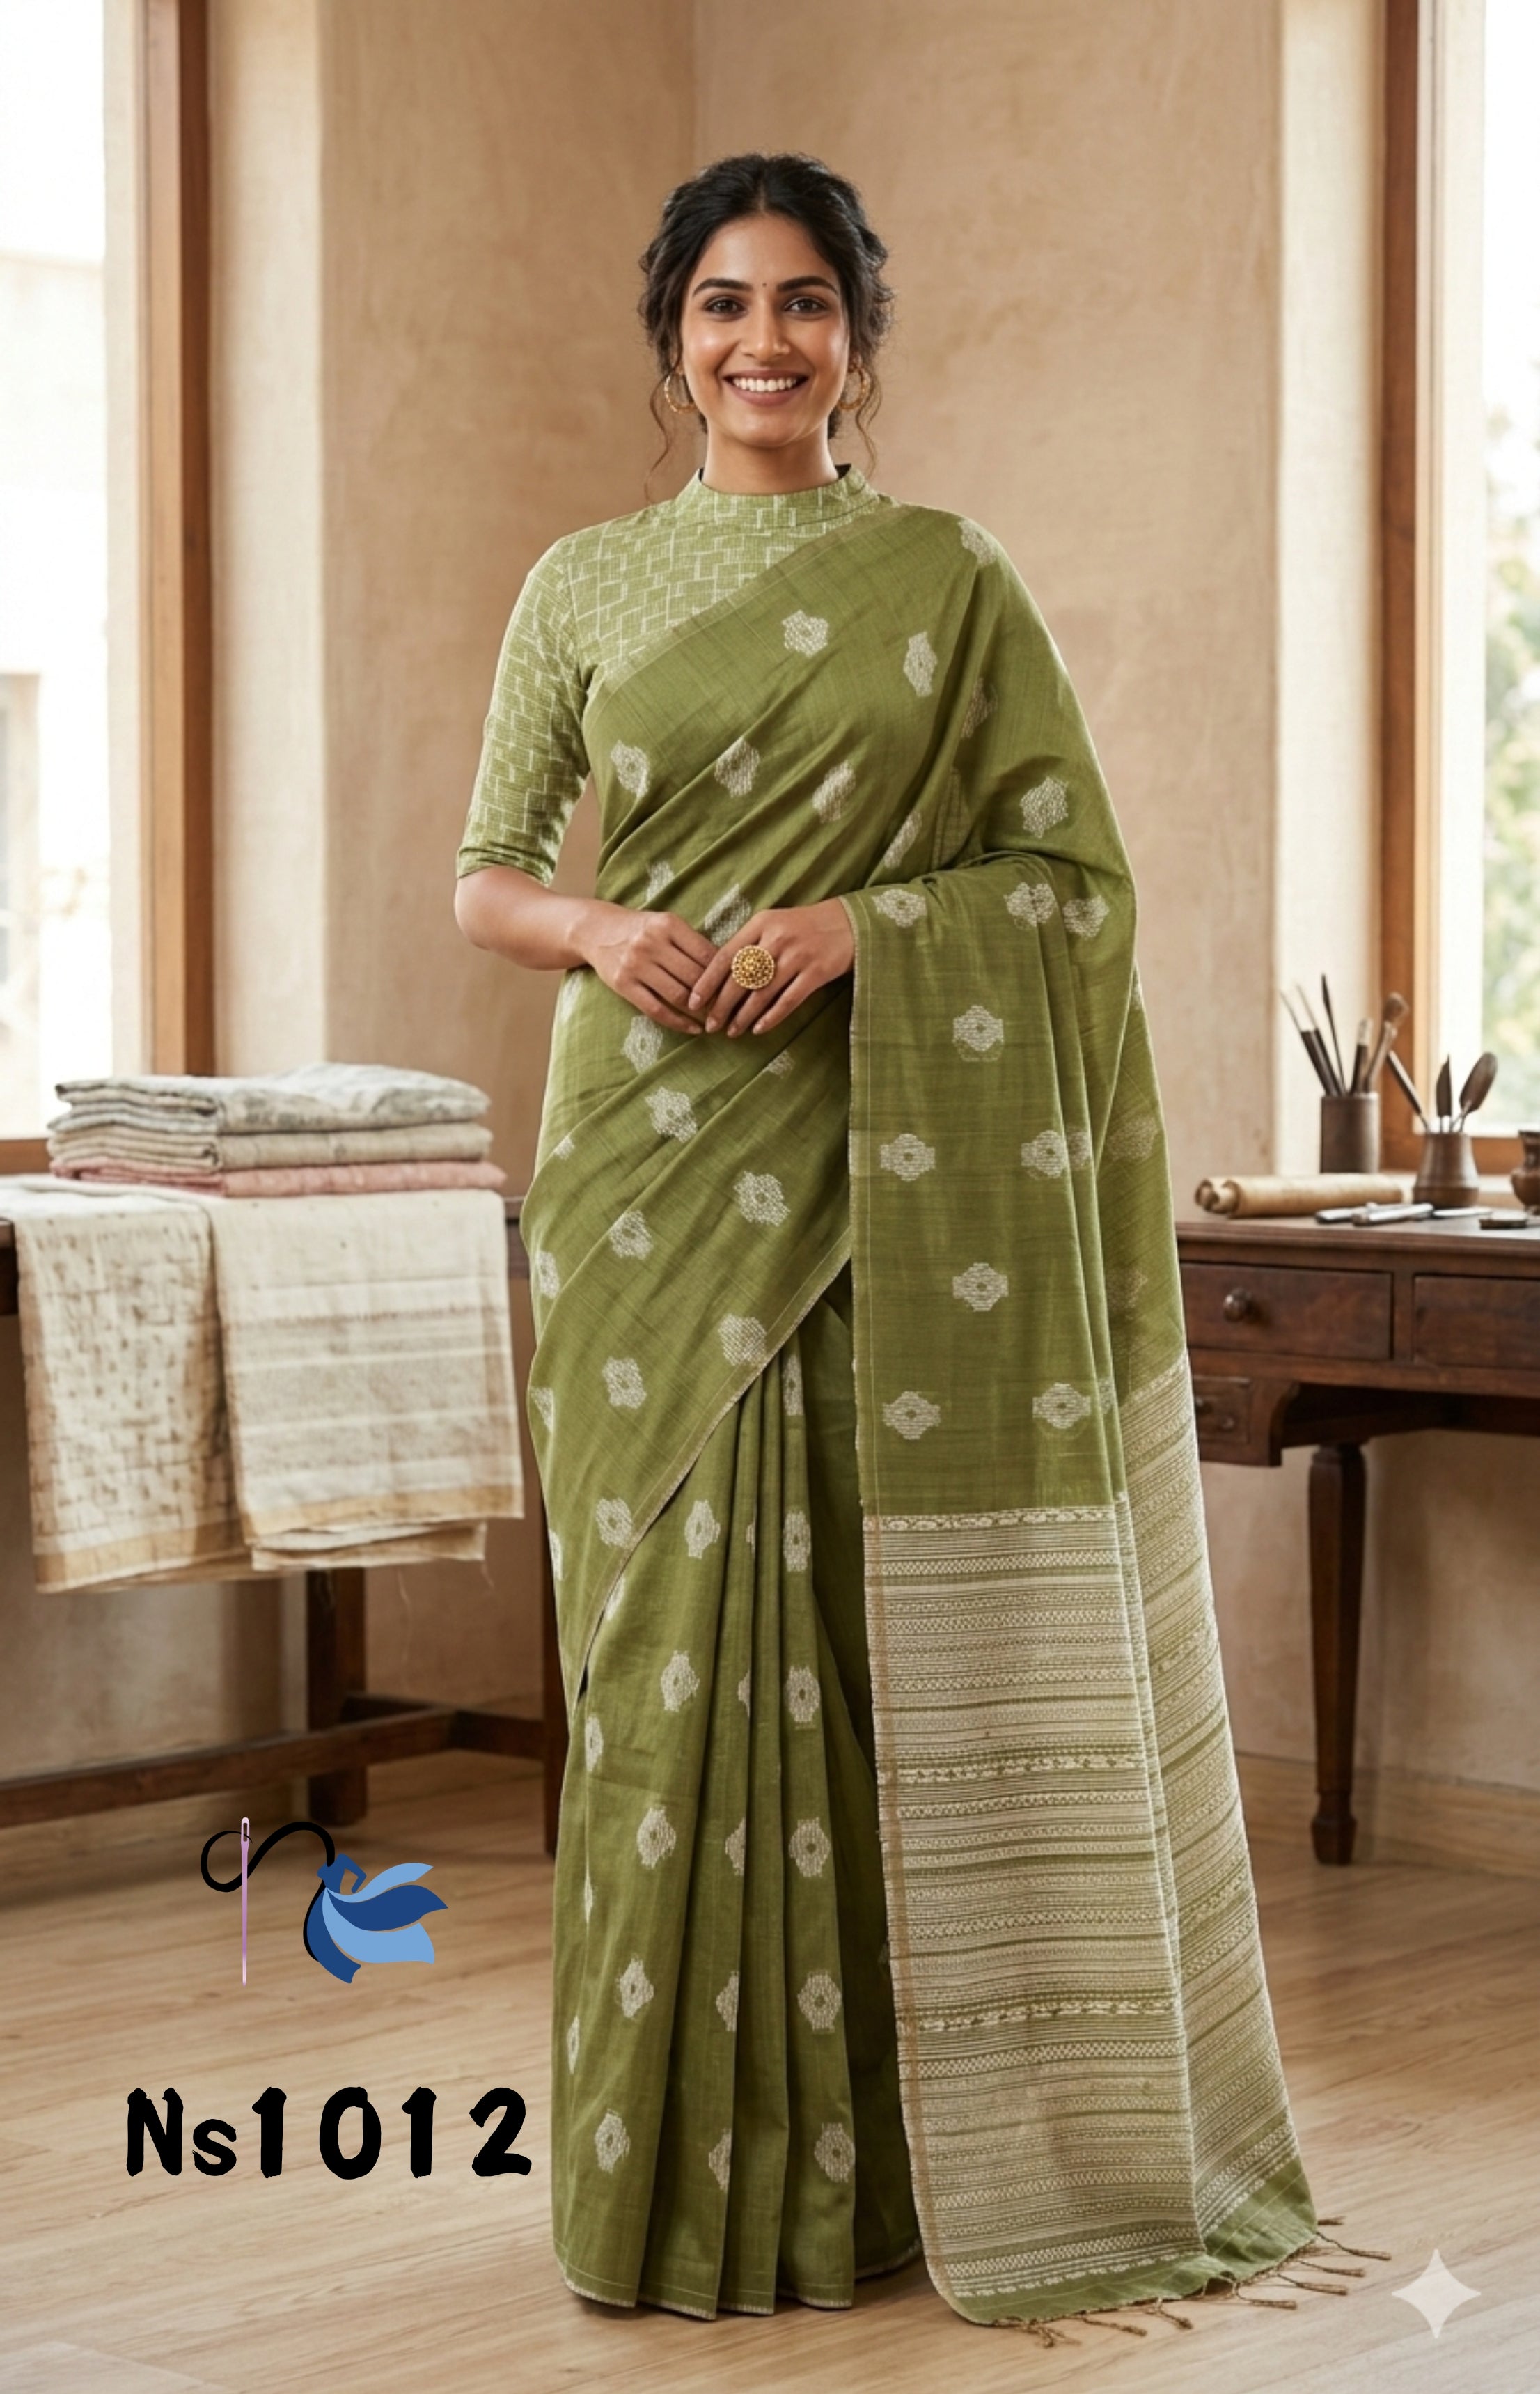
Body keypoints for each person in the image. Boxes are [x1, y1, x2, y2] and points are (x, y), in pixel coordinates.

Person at [455, 152, 1322, 2334]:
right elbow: (485, 870)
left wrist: (868, 928)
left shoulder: (948, 579)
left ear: (855, 337)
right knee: (660, 1667)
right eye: (724, 304)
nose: (764, 341)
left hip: (873, 1173)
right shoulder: (581, 582)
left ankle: (873, 2187)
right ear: (672, 337)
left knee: (856, 1659)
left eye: (804, 303)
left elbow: (1073, 886)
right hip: (642, 1177)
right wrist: (600, 930)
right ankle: (659, 2196)